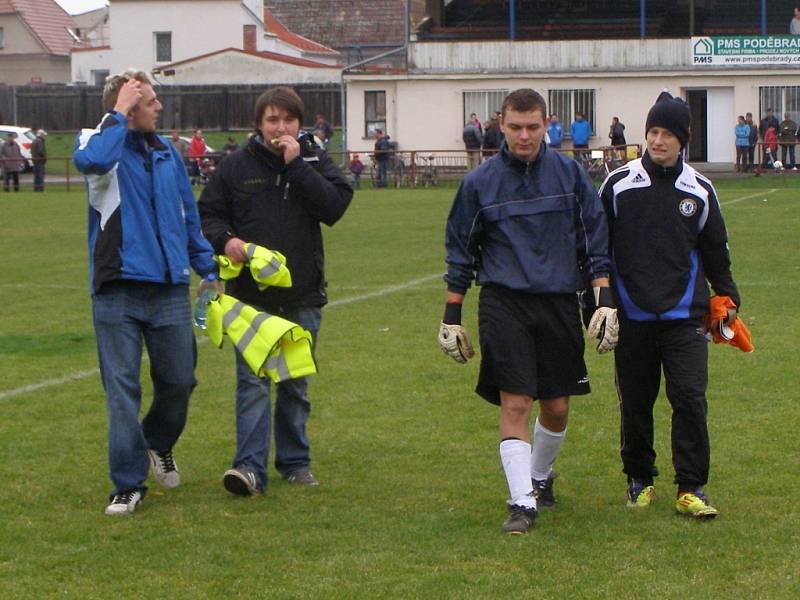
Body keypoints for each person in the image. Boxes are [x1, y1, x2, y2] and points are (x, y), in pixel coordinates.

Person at [439, 88, 614, 535]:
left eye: (532, 127)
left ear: (547, 124)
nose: (523, 136)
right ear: (501, 124)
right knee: (515, 401)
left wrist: (604, 298)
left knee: (556, 406)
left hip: (558, 300)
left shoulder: (570, 175)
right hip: (504, 302)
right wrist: (452, 314)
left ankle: (537, 478)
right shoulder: (479, 184)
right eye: (515, 127)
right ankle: (522, 504)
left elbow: (593, 235)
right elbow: (461, 248)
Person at [72, 69, 220, 516]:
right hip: (117, 288)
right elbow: (91, 162)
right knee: (122, 390)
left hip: (170, 288)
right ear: (129, 105)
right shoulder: (98, 140)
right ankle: (127, 484)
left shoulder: (167, 153)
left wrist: (207, 268)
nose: (158, 107)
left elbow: (186, 215)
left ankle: (156, 442)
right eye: (149, 100)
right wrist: (116, 113)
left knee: (180, 379)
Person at [198, 86, 352, 496]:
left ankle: (294, 462)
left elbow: (335, 207)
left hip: (302, 293)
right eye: (272, 120)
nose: (279, 127)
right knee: (252, 384)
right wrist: (226, 240)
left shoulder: (314, 159)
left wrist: (298, 167)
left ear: (299, 124)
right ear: (258, 124)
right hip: (250, 297)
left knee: (294, 384)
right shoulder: (234, 166)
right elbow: (208, 214)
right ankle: (248, 468)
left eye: (288, 120)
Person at [599, 91, 742, 520]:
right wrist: (598, 303)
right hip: (633, 317)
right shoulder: (618, 185)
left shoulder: (699, 190)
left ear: (684, 140)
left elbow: (716, 252)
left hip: (686, 318)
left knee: (690, 398)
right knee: (636, 404)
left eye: (667, 134)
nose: (657, 141)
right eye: (653, 132)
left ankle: (691, 487)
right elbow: (596, 250)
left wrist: (730, 299)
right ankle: (639, 480)